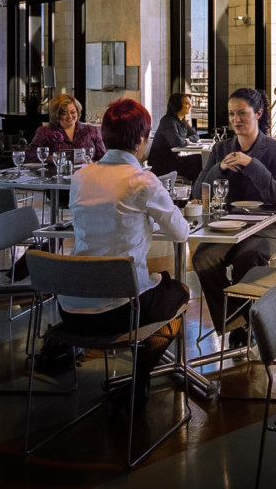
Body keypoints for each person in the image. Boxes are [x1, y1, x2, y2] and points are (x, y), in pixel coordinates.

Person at [59, 98, 190, 410]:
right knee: (179, 293)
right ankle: (140, 381)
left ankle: (138, 376)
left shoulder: (80, 177)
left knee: (150, 289)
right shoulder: (141, 180)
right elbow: (180, 233)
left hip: (69, 309)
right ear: (141, 140)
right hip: (117, 311)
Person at [192, 88, 276, 347]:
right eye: (232, 114)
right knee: (202, 258)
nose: (236, 120)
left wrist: (251, 163)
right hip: (227, 228)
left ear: (258, 114)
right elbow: (197, 190)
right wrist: (219, 167)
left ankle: (250, 325)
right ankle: (238, 322)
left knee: (248, 257)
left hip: (268, 228)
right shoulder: (220, 149)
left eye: (242, 114)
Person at [26, 93, 106, 164]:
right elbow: (29, 156)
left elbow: (104, 160)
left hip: (85, 176)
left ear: (78, 112)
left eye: (73, 112)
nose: (69, 116)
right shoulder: (44, 132)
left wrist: (90, 162)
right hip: (55, 177)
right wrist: (49, 159)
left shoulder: (92, 130)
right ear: (56, 115)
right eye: (64, 113)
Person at [147, 92, 203, 182]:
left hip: (173, 159)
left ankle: (196, 188)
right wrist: (187, 141)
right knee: (197, 162)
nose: (190, 105)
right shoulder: (168, 121)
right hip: (162, 163)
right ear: (177, 105)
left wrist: (187, 139)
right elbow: (176, 142)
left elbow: (196, 136)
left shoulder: (182, 121)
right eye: (187, 103)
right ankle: (195, 189)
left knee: (199, 159)